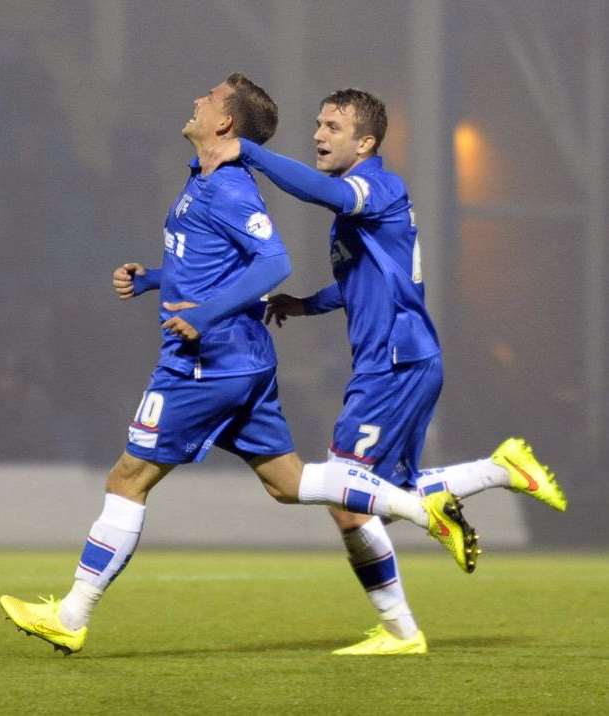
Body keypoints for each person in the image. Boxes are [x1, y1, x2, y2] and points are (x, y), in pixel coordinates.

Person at [0, 75, 478, 656]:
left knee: (128, 477)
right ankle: (418, 515)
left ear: (225, 123)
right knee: (290, 482)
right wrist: (154, 280)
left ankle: (72, 614)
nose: (196, 99)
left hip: (209, 362)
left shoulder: (243, 186)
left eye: (208, 97)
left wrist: (203, 316)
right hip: (239, 357)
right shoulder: (200, 181)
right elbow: (211, 263)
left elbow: (273, 261)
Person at [199, 87, 567, 655]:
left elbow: (321, 191)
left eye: (333, 127)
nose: (319, 134)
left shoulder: (377, 187)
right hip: (398, 359)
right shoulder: (362, 208)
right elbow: (361, 285)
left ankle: (402, 628)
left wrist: (247, 151)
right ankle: (500, 471)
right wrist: (305, 305)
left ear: (365, 142)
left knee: (350, 499)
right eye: (318, 123)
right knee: (374, 495)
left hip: (395, 362)